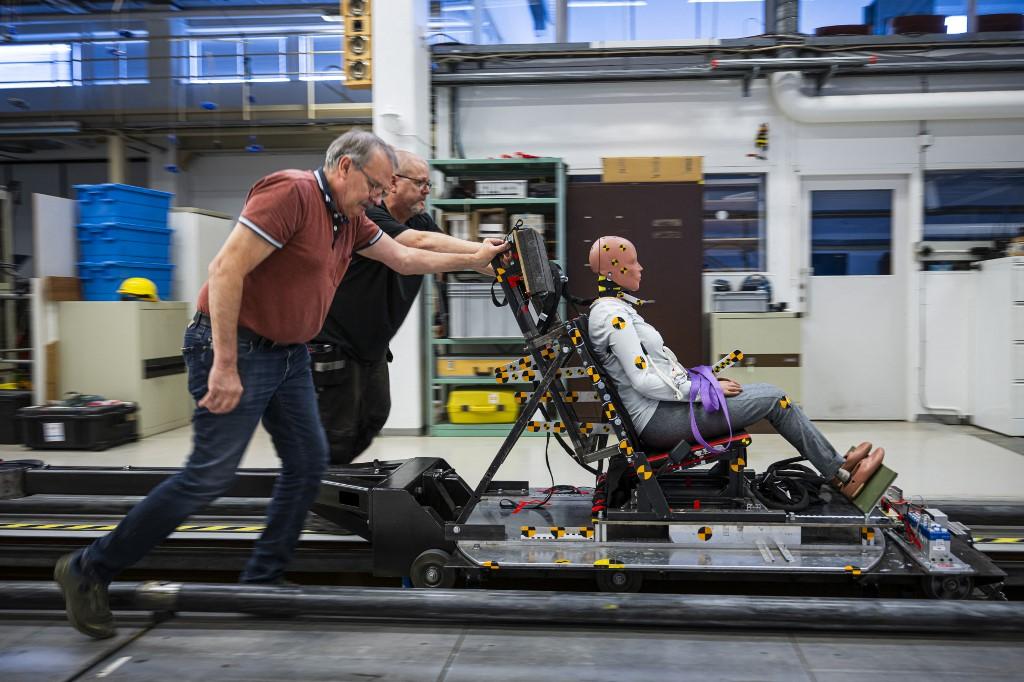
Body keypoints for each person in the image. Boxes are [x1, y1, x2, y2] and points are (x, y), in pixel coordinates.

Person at [53, 130, 508, 640]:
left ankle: (262, 580)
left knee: (309, 463)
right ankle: (88, 569)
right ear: (344, 169)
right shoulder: (290, 193)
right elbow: (225, 270)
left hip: (289, 354)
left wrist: (474, 259)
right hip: (236, 348)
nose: (380, 199)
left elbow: (404, 258)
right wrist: (223, 364)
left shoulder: (350, 220)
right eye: (376, 187)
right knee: (207, 476)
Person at [585, 235, 885, 501]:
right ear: (612, 270)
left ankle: (836, 463)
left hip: (664, 412)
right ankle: (839, 474)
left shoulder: (617, 311)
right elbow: (643, 380)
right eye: (633, 262)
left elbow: (655, 371)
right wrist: (704, 392)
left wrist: (702, 385)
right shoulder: (613, 317)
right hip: (659, 421)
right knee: (775, 400)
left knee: (769, 393)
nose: (640, 268)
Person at [312, 150, 495, 465]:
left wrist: (509, 271)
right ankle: (318, 493)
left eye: (428, 184)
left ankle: (334, 479)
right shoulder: (367, 217)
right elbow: (422, 243)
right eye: (421, 182)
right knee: (337, 429)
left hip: (371, 344)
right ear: (393, 183)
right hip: (336, 341)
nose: (427, 190)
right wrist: (486, 250)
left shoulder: (418, 218)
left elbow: (450, 251)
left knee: (374, 414)